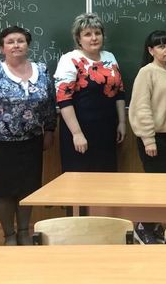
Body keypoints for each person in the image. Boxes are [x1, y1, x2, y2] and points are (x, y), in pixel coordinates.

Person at [0, 26, 56, 245]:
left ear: (27, 45)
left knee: (28, 189)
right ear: (2, 48)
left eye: (21, 41)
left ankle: (24, 233)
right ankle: (9, 235)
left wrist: (49, 131)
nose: (16, 45)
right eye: (10, 42)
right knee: (3, 191)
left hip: (32, 141)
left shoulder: (41, 69)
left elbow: (50, 104)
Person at [128, 30, 166, 244]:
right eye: (161, 46)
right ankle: (143, 226)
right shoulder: (147, 72)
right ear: (151, 50)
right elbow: (141, 107)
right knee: (156, 186)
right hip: (155, 137)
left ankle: (155, 226)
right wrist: (149, 139)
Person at [54, 13, 126, 175]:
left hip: (107, 129)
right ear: (78, 39)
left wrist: (122, 122)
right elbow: (64, 99)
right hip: (80, 130)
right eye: (87, 34)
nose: (94, 38)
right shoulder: (70, 59)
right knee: (80, 179)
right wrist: (77, 134)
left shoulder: (109, 57)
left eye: (97, 33)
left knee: (106, 179)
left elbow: (119, 91)